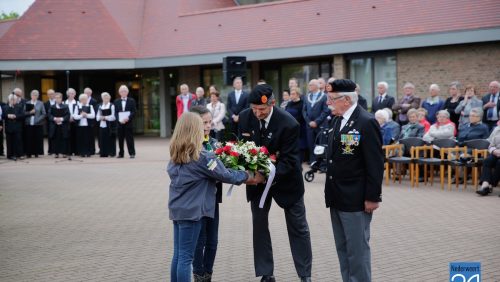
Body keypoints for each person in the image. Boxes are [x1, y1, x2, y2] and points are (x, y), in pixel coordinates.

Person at [167, 112, 262, 282]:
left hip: (178, 209)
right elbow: (225, 175)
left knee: (179, 255)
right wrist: (247, 175)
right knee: (186, 258)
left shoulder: (176, 153)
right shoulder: (203, 156)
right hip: (193, 212)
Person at [239, 84, 312, 282]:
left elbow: (289, 160)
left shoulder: (288, 123)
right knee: (259, 225)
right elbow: (242, 149)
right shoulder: (245, 117)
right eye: (254, 108)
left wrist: (268, 174)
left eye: (261, 110)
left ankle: (305, 274)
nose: (257, 113)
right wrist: (250, 173)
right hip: (257, 182)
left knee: (298, 227)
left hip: (287, 182)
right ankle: (266, 273)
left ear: (272, 104)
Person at [325, 79, 383, 282]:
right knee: (343, 249)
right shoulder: (336, 120)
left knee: (357, 251)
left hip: (356, 199)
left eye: (332, 99)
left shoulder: (366, 122)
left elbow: (375, 164)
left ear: (347, 99)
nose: (328, 103)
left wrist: (373, 197)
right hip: (337, 196)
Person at [188, 106, 222, 282]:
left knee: (213, 240)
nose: (209, 126)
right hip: (198, 201)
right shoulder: (191, 146)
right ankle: (198, 274)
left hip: (213, 199)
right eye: (204, 123)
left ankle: (208, 273)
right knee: (199, 239)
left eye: (210, 122)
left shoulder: (215, 143)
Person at [303, 79, 329, 164]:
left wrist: (316, 122)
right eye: (309, 85)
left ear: (317, 86)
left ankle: (322, 164)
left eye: (311, 85)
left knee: (321, 145)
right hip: (309, 126)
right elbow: (304, 111)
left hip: (320, 125)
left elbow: (326, 111)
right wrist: (309, 122)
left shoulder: (324, 96)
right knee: (311, 145)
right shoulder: (307, 97)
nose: (309, 86)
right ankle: (313, 162)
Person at [477, 122, 500, 196]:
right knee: (487, 161)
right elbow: (490, 145)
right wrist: (494, 150)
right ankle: (485, 184)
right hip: (496, 152)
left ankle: (490, 185)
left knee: (499, 163)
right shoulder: (497, 129)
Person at [286, 87, 308, 163]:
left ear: (298, 94)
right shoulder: (289, 103)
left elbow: (303, 116)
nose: (291, 95)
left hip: (300, 128)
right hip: (289, 129)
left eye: (293, 94)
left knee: (300, 147)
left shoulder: (302, 103)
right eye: (290, 94)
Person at [114, 85, 137, 158]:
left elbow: (134, 111)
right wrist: (119, 119)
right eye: (122, 91)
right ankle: (121, 153)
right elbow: (115, 112)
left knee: (129, 139)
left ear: (127, 92)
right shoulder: (116, 101)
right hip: (120, 123)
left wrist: (128, 118)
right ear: (119, 93)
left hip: (128, 123)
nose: (123, 93)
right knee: (120, 139)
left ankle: (132, 153)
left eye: (125, 91)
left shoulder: (131, 100)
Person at [24, 90, 46, 158]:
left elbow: (44, 114)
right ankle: (29, 153)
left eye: (36, 95)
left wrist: (37, 120)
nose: (34, 96)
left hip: (38, 124)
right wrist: (30, 112)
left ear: (38, 96)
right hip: (29, 123)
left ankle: (36, 153)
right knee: (29, 139)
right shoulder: (27, 103)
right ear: (31, 96)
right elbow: (23, 113)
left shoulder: (40, 103)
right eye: (33, 95)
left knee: (37, 139)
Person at [3, 94, 25, 160]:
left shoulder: (19, 106)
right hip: (8, 127)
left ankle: (19, 154)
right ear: (9, 100)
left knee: (18, 141)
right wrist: (7, 116)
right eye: (12, 100)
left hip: (17, 127)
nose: (13, 101)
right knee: (9, 142)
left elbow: (22, 115)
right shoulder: (5, 107)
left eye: (15, 100)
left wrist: (16, 116)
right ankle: (10, 155)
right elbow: (2, 116)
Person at [48, 92, 70, 158]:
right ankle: (56, 153)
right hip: (55, 125)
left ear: (61, 98)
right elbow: (49, 115)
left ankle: (64, 153)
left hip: (63, 125)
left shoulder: (65, 106)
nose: (57, 99)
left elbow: (68, 115)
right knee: (55, 139)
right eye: (56, 98)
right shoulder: (52, 106)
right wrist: (54, 118)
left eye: (59, 98)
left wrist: (61, 119)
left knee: (64, 139)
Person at [96, 92, 117, 158]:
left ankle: (111, 152)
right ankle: (103, 153)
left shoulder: (112, 105)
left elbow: (114, 116)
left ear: (109, 99)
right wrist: (100, 118)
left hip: (110, 125)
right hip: (102, 125)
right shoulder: (100, 106)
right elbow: (97, 117)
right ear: (102, 99)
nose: (105, 99)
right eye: (104, 98)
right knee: (102, 139)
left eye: (107, 98)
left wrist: (105, 117)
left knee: (110, 139)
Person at [84, 87, 99, 155]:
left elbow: (95, 112)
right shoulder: (82, 100)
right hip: (83, 121)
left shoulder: (94, 101)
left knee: (91, 136)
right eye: (85, 92)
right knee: (85, 136)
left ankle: (92, 150)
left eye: (88, 93)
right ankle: (86, 149)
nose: (87, 94)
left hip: (91, 121)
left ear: (91, 93)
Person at [65, 88, 79, 156]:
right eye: (70, 93)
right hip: (66, 122)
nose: (71, 95)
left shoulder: (77, 102)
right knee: (67, 136)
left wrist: (73, 118)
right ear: (67, 94)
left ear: (75, 94)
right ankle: (68, 151)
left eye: (73, 93)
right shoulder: (64, 102)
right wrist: (68, 118)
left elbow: (78, 112)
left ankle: (76, 151)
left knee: (75, 136)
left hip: (75, 121)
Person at [44, 89, 56, 155]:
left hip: (58, 121)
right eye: (49, 94)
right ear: (47, 95)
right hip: (49, 122)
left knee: (57, 136)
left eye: (52, 94)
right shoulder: (45, 103)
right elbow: (45, 113)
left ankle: (57, 149)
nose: (51, 95)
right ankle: (50, 150)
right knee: (50, 136)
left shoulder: (58, 102)